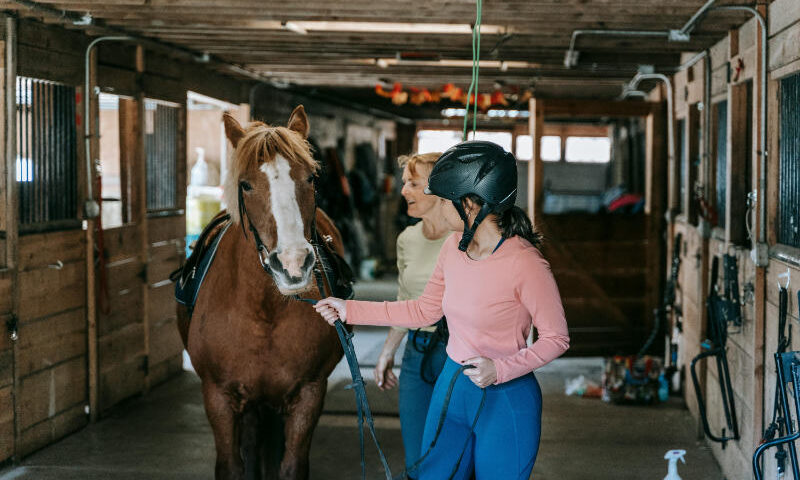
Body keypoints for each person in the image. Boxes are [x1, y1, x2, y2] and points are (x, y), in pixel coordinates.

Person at [315, 140, 570, 480]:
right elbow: (425, 311)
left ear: (469, 204)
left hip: (505, 397)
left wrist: (500, 368)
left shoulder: (526, 263)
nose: (438, 206)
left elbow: (556, 338)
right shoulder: (453, 247)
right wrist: (349, 310)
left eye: (444, 200)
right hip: (452, 387)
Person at [374, 152, 450, 474]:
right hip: (416, 352)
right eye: (405, 182)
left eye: (414, 184)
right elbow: (405, 299)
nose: (403, 190)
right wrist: (387, 352)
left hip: (459, 354)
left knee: (452, 457)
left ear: (441, 189)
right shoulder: (407, 239)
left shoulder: (466, 239)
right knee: (416, 459)